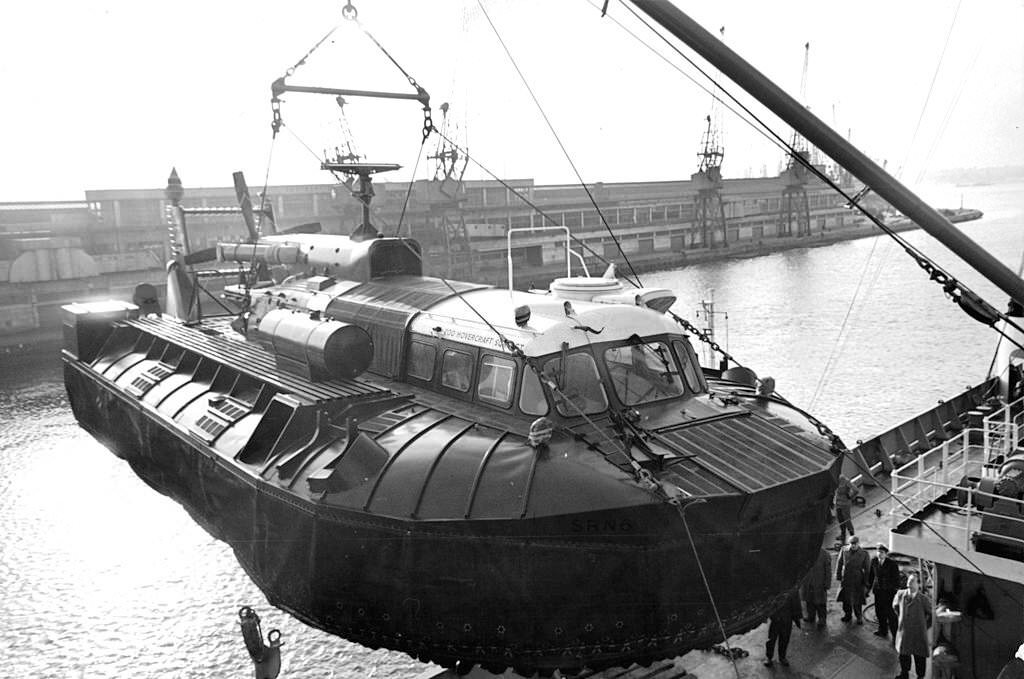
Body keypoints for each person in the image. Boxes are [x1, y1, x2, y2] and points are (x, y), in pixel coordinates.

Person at [893, 572, 933, 679]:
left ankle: (920, 676)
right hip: (904, 632)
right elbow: (895, 607)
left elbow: (931, 615)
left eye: (912, 582)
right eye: (909, 581)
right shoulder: (900, 594)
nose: (909, 584)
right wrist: (902, 620)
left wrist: (924, 626)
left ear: (918, 585)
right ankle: (904, 673)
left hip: (918, 633)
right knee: (904, 654)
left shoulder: (923, 599)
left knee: (919, 656)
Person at [867, 544, 900, 640]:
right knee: (879, 611)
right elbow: (871, 576)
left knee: (890, 614)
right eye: (878, 552)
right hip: (878, 591)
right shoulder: (874, 561)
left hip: (888, 593)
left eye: (881, 552)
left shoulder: (892, 564)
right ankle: (883, 630)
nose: (879, 554)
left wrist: (894, 591)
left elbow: (896, 579)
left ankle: (895, 635)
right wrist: (868, 589)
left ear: (886, 554)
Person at [764, 588, 802, 668]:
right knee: (771, 639)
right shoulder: (775, 587)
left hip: (787, 619)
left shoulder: (793, 590)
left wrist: (797, 618)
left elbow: (796, 604)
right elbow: (768, 602)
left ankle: (782, 657)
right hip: (775, 619)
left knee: (785, 639)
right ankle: (769, 657)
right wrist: (769, 615)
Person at [836, 535, 869, 624]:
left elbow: (867, 569)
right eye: (851, 544)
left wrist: (866, 582)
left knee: (857, 600)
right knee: (846, 599)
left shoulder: (864, 553)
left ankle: (859, 616)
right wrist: (839, 576)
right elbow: (839, 563)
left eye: (855, 544)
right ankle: (848, 615)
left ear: (858, 543)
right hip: (846, 578)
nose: (853, 545)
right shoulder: (844, 550)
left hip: (857, 579)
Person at [801, 546, 831, 628]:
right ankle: (811, 616)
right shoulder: (805, 552)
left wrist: (827, 584)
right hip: (807, 582)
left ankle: (822, 619)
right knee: (809, 601)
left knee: (820, 603)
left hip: (819, 583)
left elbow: (828, 571)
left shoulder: (825, 554)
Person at [834, 474, 858, 543]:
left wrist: (850, 496)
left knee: (847, 520)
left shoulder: (846, 481)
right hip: (838, 504)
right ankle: (843, 534)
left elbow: (856, 490)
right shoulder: (835, 481)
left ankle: (852, 536)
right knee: (840, 519)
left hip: (845, 504)